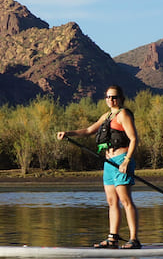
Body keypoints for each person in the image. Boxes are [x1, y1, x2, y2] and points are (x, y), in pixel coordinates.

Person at [57, 85, 140, 248]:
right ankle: (112, 238)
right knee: (111, 201)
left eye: (114, 97)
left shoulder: (123, 114)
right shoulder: (107, 115)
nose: (111, 100)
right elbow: (89, 130)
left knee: (125, 200)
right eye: (108, 97)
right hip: (108, 164)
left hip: (121, 159)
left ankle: (134, 239)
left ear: (121, 98)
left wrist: (127, 161)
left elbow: (134, 139)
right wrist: (68, 133)